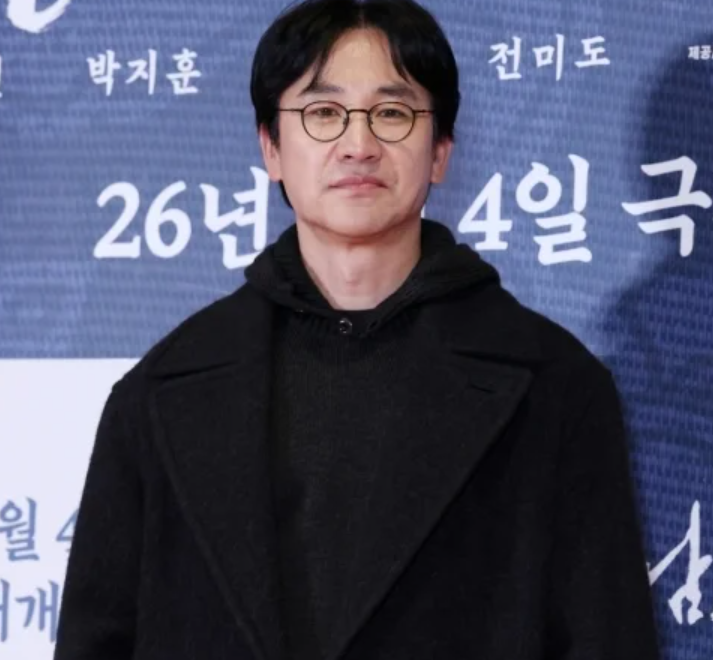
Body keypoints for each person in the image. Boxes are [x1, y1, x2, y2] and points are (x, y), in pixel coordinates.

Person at [54, 0, 661, 658]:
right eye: (323, 112)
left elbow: (607, 638)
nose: (358, 144)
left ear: (440, 151)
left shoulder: (554, 387)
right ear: (270, 148)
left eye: (392, 113)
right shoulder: (159, 392)